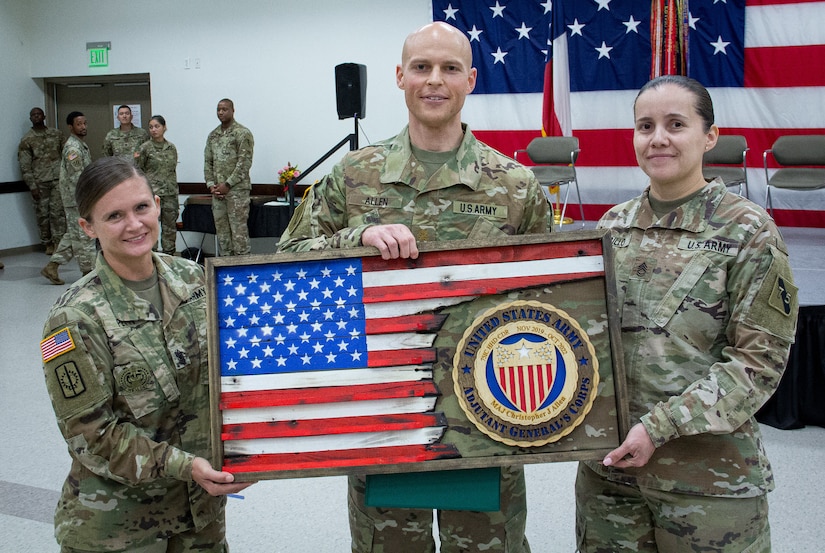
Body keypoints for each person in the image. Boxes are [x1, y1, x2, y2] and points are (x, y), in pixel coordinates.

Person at [278, 22, 552, 553]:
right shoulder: (354, 175)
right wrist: (357, 238)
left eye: (450, 68)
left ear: (470, 79)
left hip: (488, 417)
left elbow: (551, 296)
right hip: (383, 410)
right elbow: (287, 263)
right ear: (399, 77)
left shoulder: (515, 187)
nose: (434, 80)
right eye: (421, 67)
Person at [575, 75, 799, 552]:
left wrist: (658, 428)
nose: (658, 138)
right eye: (645, 125)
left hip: (708, 482)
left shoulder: (748, 231)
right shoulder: (611, 227)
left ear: (709, 136)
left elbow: (758, 364)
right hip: (609, 476)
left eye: (676, 124)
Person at [40, 156, 251, 552]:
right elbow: (93, 437)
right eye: (114, 215)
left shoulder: (195, 281)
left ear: (158, 205)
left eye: (141, 207)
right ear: (87, 227)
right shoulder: (74, 318)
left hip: (201, 517)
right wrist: (186, 466)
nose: (134, 224)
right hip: (121, 529)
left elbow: (233, 377)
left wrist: (252, 450)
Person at [41, 111, 95, 285]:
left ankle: (52, 266)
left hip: (79, 198)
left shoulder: (80, 145)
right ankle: (89, 273)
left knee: (73, 234)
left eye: (85, 123)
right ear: (71, 127)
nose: (83, 127)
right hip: (77, 199)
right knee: (84, 234)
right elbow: (78, 177)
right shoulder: (73, 148)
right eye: (79, 124)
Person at [203, 98, 254, 256]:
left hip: (236, 192)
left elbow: (244, 164)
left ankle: (243, 271)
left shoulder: (242, 133)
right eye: (218, 109)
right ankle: (226, 271)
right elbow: (208, 162)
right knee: (223, 234)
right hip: (218, 193)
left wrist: (228, 184)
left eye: (224, 109)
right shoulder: (213, 135)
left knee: (239, 234)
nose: (221, 112)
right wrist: (211, 184)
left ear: (233, 110)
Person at [18, 107, 66, 255]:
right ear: (30, 118)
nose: (37, 116)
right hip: (40, 181)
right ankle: (47, 243)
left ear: (44, 116)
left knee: (58, 212)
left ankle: (60, 242)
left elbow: (66, 155)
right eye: (33, 115)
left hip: (58, 178)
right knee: (42, 213)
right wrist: (32, 185)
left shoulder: (56, 134)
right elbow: (25, 165)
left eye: (39, 114)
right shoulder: (27, 139)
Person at [136, 115, 179, 255]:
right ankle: (151, 256)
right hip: (152, 195)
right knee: (151, 226)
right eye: (151, 127)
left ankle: (169, 256)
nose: (154, 130)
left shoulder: (171, 147)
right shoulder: (144, 148)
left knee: (170, 228)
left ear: (164, 127)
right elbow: (138, 171)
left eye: (157, 126)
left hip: (170, 194)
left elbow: (172, 170)